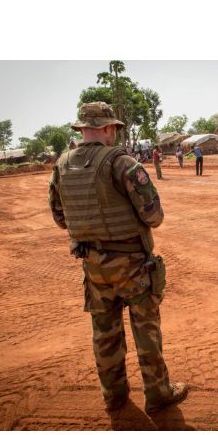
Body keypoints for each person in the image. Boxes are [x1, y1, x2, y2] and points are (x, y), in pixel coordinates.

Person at [48, 102, 187, 417]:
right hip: (132, 266)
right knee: (146, 329)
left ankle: (113, 395)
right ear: (109, 128)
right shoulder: (121, 162)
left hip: (93, 265)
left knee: (105, 333)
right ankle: (158, 393)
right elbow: (153, 216)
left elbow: (59, 217)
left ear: (82, 129)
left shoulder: (62, 164)